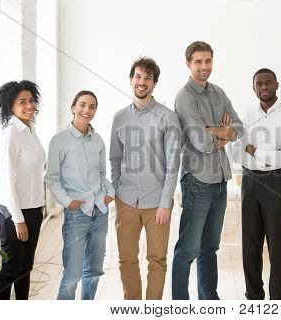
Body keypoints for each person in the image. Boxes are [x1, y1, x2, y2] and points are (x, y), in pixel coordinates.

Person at [172, 41, 244, 300]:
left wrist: (211, 130)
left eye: (208, 61)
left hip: (220, 180)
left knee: (210, 248)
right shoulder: (184, 97)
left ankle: (209, 302)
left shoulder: (218, 93)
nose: (204, 67)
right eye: (199, 62)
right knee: (188, 249)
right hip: (197, 180)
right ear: (188, 64)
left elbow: (240, 128)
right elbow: (201, 143)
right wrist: (220, 131)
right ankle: (180, 305)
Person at [110, 57, 181, 300]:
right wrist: (117, 191)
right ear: (131, 80)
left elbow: (174, 164)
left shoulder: (168, 117)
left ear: (154, 83)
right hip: (126, 200)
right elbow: (115, 158)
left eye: (147, 78)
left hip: (157, 204)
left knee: (157, 260)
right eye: (138, 77)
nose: (142, 82)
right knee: (126, 259)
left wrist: (165, 202)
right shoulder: (119, 118)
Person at [231, 68, 281, 300]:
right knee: (250, 245)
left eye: (268, 83)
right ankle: (253, 297)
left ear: (277, 85)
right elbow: (236, 153)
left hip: (275, 180)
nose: (263, 87)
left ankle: (279, 299)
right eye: (258, 84)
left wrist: (255, 150)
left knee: (277, 244)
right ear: (253, 88)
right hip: (249, 180)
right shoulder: (247, 114)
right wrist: (264, 152)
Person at [45, 90, 114, 300]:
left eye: (92, 106)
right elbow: (52, 178)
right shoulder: (59, 140)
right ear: (73, 107)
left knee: (93, 272)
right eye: (82, 105)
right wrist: (68, 202)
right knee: (72, 276)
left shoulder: (98, 140)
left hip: (100, 212)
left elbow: (102, 174)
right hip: (77, 215)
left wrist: (109, 193)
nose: (87, 110)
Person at [0, 80, 45, 300]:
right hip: (14, 214)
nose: (29, 105)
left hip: (33, 210)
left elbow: (32, 174)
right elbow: (6, 181)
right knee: (11, 270)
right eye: (22, 102)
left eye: (31, 100)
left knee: (25, 268)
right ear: (10, 106)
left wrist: (39, 206)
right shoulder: (11, 134)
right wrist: (18, 219)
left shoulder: (30, 129)